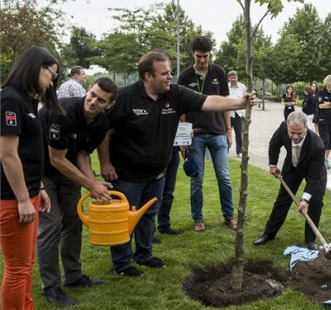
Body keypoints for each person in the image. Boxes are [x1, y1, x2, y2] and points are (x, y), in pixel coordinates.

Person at [99, 50, 255, 277]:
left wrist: (240, 102)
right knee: (125, 218)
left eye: (170, 72)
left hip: (156, 174)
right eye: (164, 73)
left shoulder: (175, 94)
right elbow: (103, 131)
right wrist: (105, 163)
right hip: (127, 175)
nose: (170, 77)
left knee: (148, 216)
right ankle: (122, 264)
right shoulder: (125, 98)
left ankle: (144, 254)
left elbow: (208, 100)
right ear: (147, 76)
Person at [37, 78, 117, 307]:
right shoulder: (62, 112)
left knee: (74, 221)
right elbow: (55, 159)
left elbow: (82, 154)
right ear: (88, 89)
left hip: (67, 170)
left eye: (101, 100)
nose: (93, 101)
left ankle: (73, 277)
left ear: (108, 105)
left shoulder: (101, 122)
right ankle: (51, 287)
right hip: (41, 170)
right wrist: (91, 185)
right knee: (51, 225)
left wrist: (95, 186)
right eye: (92, 94)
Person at [0, 46, 62, 310]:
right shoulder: (9, 99)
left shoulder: (27, 101)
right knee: (17, 268)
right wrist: (23, 199)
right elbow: (8, 155)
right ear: (35, 67)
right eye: (51, 74)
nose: (51, 82)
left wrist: (38, 187)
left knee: (26, 266)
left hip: (30, 193)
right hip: (13, 199)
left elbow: (27, 153)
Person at [177, 36, 238, 232]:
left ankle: (229, 216)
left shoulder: (218, 72)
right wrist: (184, 139)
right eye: (199, 57)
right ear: (192, 54)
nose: (202, 60)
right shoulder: (185, 76)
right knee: (197, 179)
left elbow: (225, 102)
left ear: (210, 54)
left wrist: (229, 131)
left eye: (206, 56)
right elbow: (181, 110)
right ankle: (198, 218)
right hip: (196, 136)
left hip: (218, 132)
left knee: (225, 178)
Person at [253, 111, 326, 250]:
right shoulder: (282, 129)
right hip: (293, 166)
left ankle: (310, 239)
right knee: (282, 200)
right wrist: (273, 165)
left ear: (306, 127)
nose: (295, 136)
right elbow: (274, 144)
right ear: (287, 126)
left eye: (299, 133)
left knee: (315, 202)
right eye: (292, 132)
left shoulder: (317, 145)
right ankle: (269, 234)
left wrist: (305, 200)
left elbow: (315, 178)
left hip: (313, 172)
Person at [155, 146, 182, 236]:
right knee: (152, 192)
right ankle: (148, 231)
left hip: (174, 151)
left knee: (168, 191)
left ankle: (164, 226)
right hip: (157, 152)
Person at [316, 75, 331, 170]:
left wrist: (329, 104)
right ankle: (322, 159)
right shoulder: (321, 93)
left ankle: (325, 159)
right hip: (323, 120)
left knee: (330, 142)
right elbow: (321, 106)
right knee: (325, 140)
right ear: (329, 83)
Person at [228, 70, 247, 157]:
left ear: (237, 77)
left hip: (238, 113)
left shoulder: (242, 87)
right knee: (227, 132)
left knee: (239, 133)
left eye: (234, 78)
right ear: (229, 78)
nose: (233, 80)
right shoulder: (226, 86)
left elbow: (246, 98)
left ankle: (239, 151)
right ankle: (225, 150)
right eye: (231, 78)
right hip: (228, 113)